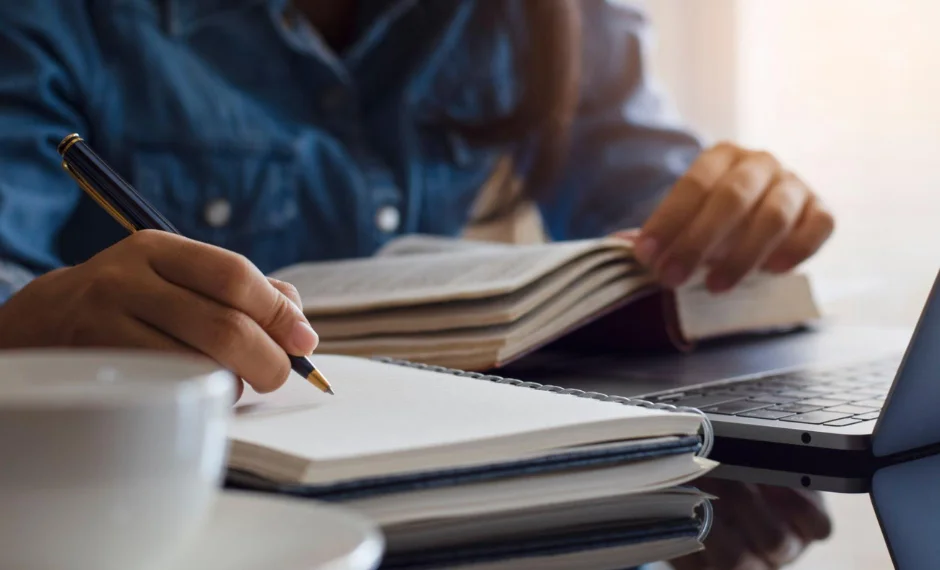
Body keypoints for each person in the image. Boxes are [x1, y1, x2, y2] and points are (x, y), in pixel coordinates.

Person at [0, 2, 834, 567]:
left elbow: (651, 200)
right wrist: (30, 319)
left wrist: (735, 208)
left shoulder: (544, 18)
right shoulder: (60, 20)